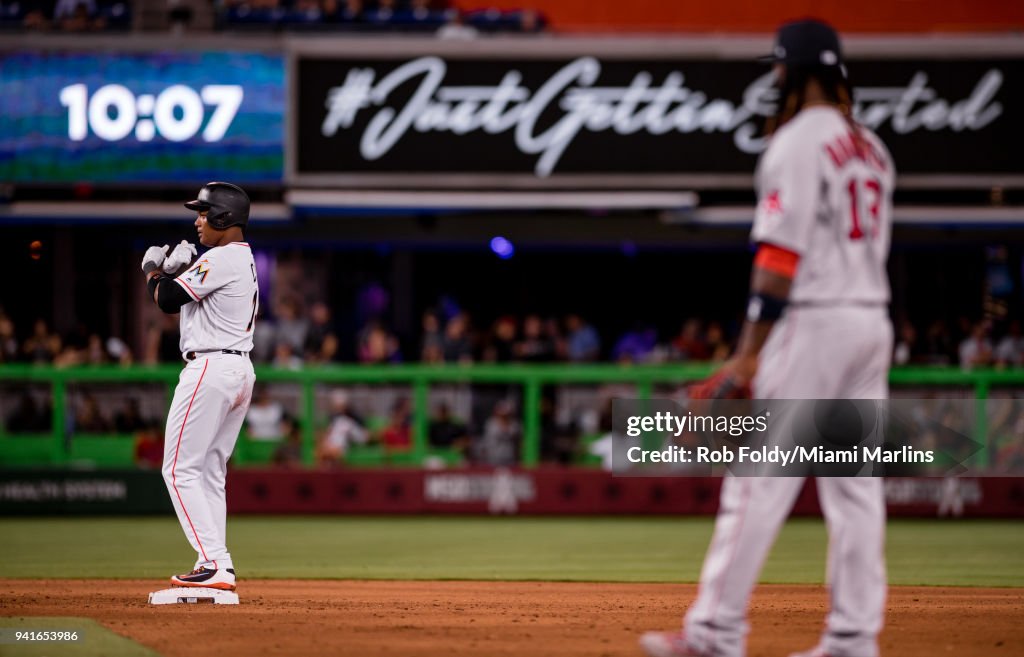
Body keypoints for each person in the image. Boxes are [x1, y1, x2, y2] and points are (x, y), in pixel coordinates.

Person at [641, 19, 895, 657]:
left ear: (799, 71)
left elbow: (779, 258)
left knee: (756, 478)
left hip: (814, 320)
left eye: (780, 67)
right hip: (872, 320)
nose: (774, 77)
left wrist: (748, 353)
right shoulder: (872, 147)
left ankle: (714, 633)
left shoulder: (795, 143)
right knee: (856, 490)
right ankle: (852, 640)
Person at [141, 181, 258, 593]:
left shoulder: (224, 257)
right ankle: (217, 561)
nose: (198, 220)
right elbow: (186, 300)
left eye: (205, 214)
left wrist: (154, 270)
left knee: (177, 469)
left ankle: (211, 561)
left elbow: (168, 300)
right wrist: (177, 272)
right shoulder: (235, 258)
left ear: (225, 218)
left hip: (211, 367)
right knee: (208, 471)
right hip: (236, 367)